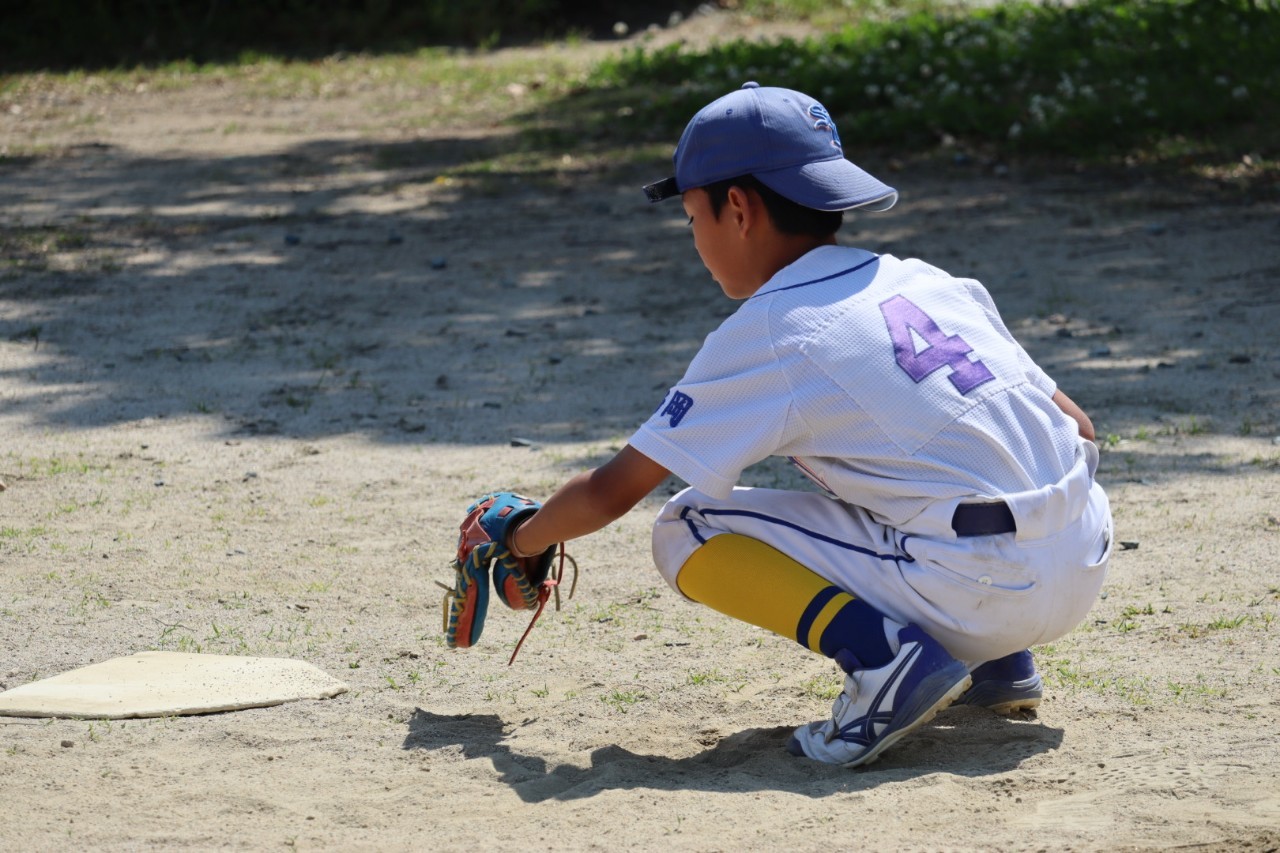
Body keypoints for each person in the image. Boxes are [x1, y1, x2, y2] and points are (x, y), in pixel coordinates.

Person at [503, 82, 1113, 767]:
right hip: (1084, 552)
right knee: (905, 461)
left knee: (687, 526)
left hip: (981, 585)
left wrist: (519, 536)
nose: (695, 237)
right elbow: (1077, 424)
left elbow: (612, 491)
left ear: (737, 207)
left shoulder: (775, 328)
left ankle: (887, 662)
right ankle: (998, 663)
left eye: (692, 216)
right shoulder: (926, 279)